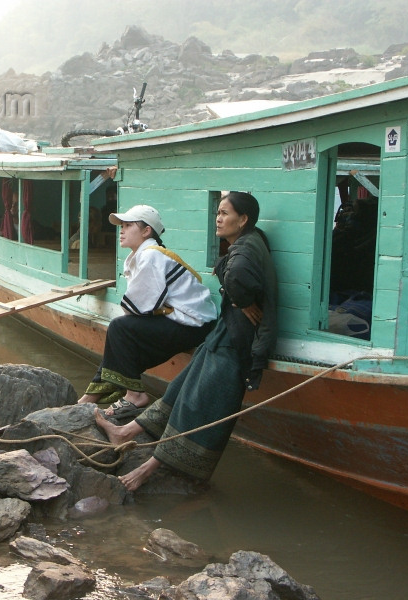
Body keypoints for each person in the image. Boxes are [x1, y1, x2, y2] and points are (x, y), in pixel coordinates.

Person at [94, 192, 277, 491]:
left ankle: (147, 470)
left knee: (197, 406)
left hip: (237, 341)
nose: (218, 218)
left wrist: (242, 300)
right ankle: (126, 431)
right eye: (217, 212)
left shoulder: (242, 252)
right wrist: (240, 299)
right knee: (181, 386)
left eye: (225, 213)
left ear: (243, 220)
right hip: (223, 332)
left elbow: (238, 276)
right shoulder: (253, 239)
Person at [78, 204, 217, 418]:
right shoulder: (142, 255)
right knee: (122, 335)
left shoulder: (151, 256)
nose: (121, 230)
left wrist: (124, 338)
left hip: (195, 325)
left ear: (146, 231)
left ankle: (134, 396)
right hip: (182, 320)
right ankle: (93, 395)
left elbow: (136, 309)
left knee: (119, 329)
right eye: (121, 226)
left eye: (127, 225)